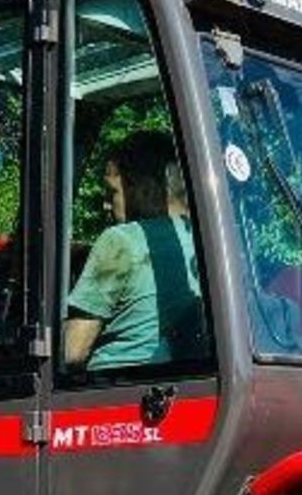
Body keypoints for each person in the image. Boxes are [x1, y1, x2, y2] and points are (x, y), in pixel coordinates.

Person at [64, 130, 205, 372]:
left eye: (112, 192)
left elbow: (72, 352)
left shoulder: (119, 240)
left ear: (144, 187)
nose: (106, 205)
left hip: (107, 392)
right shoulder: (204, 242)